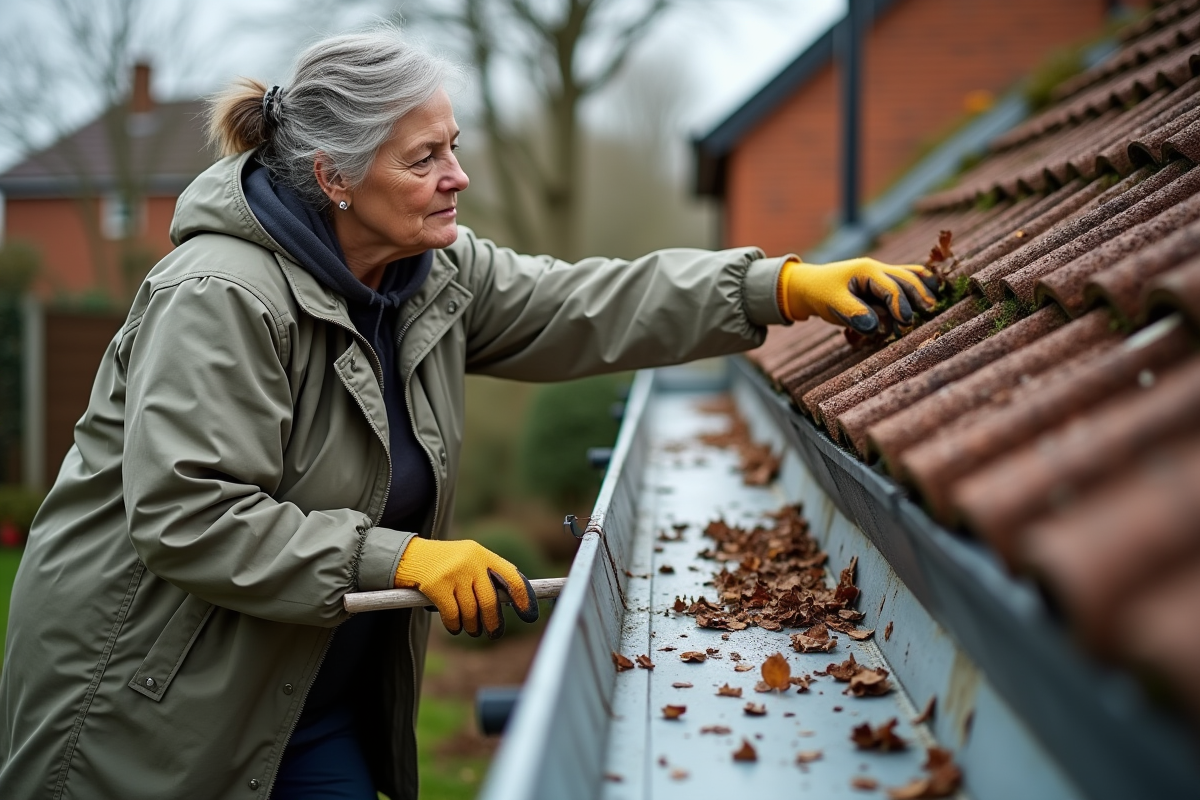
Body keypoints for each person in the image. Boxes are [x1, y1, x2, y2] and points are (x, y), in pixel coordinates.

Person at [0, 26, 935, 800]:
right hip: (151, 714)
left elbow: (586, 304)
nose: (459, 177)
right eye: (427, 158)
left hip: (309, 697)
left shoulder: (428, 278)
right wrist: (404, 556)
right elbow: (188, 515)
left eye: (454, 146)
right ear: (335, 176)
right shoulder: (220, 297)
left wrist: (781, 286)